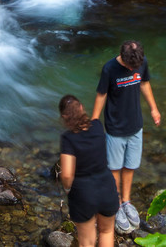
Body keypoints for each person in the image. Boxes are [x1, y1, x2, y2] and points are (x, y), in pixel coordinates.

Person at [91, 40, 159, 234]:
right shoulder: (109, 69)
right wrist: (95, 120)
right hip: (115, 128)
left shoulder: (141, 62)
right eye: (131, 67)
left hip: (136, 125)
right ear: (123, 58)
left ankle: (126, 201)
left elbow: (145, 83)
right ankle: (116, 204)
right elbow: (101, 95)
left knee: (130, 165)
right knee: (114, 168)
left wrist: (154, 109)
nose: (133, 69)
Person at [58, 95, 119, 247]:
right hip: (107, 187)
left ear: (64, 117)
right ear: (81, 108)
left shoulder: (68, 139)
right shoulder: (98, 126)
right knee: (106, 231)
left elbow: (66, 174)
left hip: (83, 194)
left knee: (87, 242)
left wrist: (67, 188)